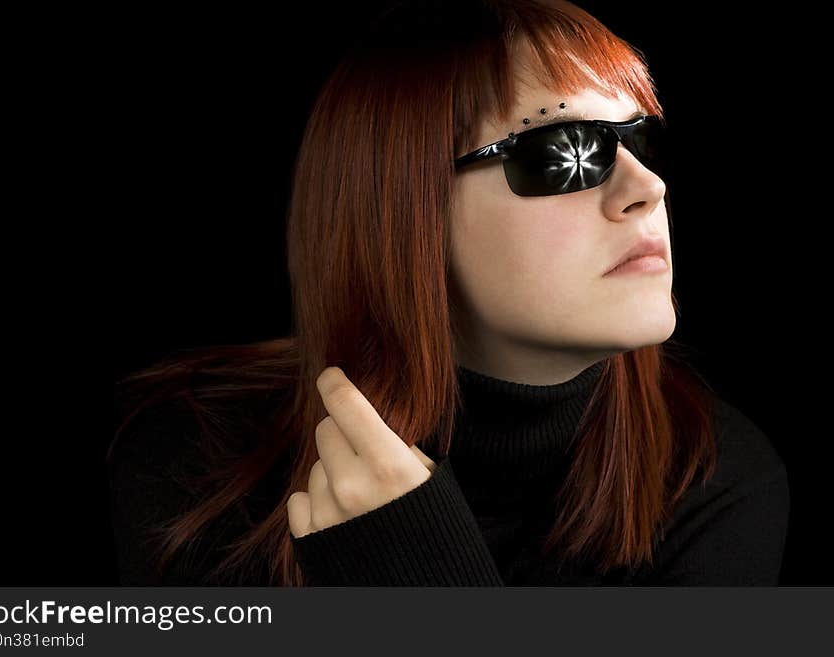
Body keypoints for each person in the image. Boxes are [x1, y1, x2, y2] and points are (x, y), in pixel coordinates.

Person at [108, 0, 789, 586]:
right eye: (566, 150)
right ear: (404, 208)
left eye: (637, 139)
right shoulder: (196, 461)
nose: (648, 187)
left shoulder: (713, 483)